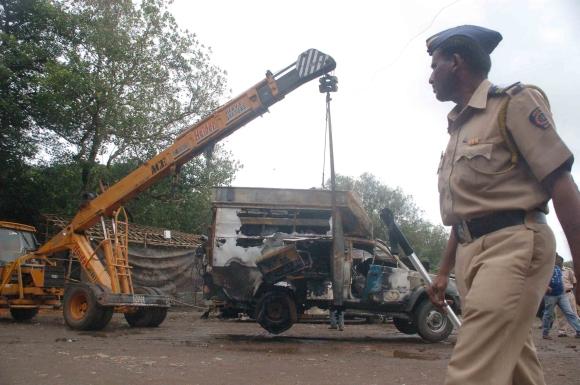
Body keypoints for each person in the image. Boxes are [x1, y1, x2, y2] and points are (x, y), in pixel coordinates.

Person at [425, 25, 580, 385]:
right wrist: (444, 269)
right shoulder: (458, 128)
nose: (430, 78)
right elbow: (465, 211)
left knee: (471, 370)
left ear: (456, 63)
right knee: (515, 365)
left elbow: (561, 181)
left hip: (514, 245)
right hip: (471, 254)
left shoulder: (513, 103)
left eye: (435, 66)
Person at [542, 255, 580, 339]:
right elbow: (540, 279)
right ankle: (545, 333)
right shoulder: (545, 269)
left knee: (570, 312)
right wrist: (546, 286)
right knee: (548, 314)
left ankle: (578, 330)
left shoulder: (558, 269)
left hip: (562, 295)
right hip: (550, 296)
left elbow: (564, 281)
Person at [555, 257, 577, 335]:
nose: (556, 262)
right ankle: (562, 331)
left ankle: (577, 330)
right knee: (560, 313)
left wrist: (568, 289)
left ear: (562, 262)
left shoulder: (568, 271)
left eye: (558, 261)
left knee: (573, 312)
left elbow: (574, 282)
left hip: (568, 294)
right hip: (558, 295)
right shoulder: (553, 271)